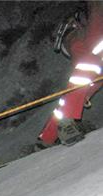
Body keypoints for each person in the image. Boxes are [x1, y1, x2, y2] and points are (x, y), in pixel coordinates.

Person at [39, 2, 103, 146]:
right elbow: (96, 43)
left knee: (88, 86)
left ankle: (46, 138)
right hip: (76, 36)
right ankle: (65, 124)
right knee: (89, 66)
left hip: (90, 45)